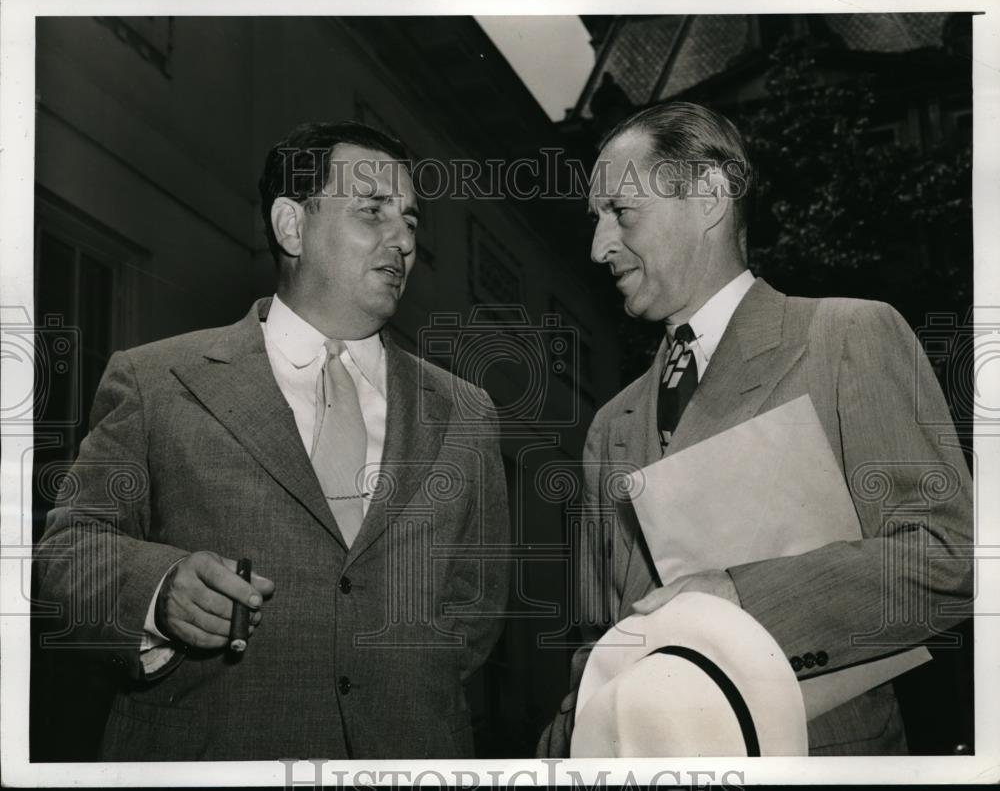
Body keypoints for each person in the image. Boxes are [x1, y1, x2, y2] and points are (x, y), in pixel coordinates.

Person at [35, 122, 510, 760]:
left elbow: (471, 614)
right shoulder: (156, 381)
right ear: (291, 226)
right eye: (372, 211)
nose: (401, 241)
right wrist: (160, 589)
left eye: (411, 222)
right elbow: (66, 553)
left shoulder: (466, 413)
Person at [538, 102, 973, 756]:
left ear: (710, 194)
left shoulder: (847, 336)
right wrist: (571, 735)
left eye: (620, 213)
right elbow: (598, 639)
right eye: (596, 220)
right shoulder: (610, 427)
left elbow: (948, 560)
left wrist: (739, 601)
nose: (598, 247)